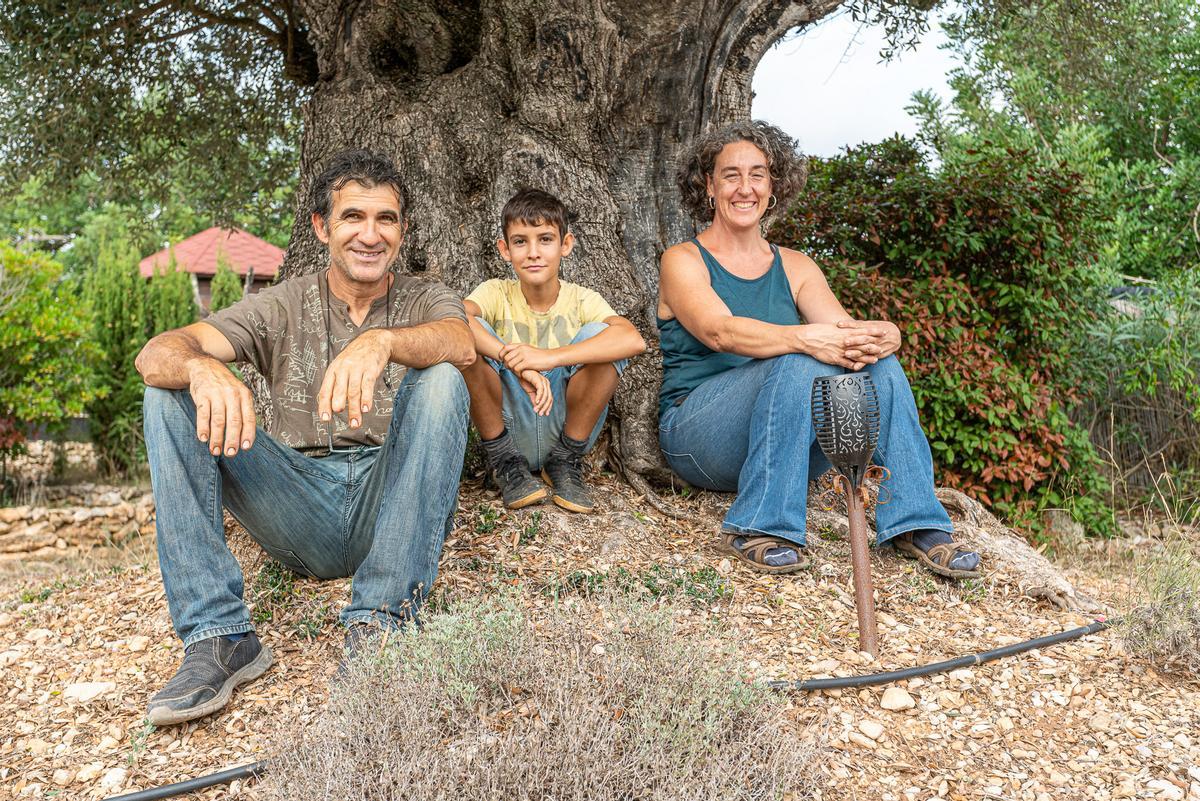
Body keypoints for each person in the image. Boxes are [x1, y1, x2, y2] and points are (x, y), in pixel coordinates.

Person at [135, 149, 474, 726]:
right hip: (295, 499)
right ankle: (219, 638)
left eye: (385, 219)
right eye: (353, 218)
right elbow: (155, 353)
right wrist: (198, 366)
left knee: (445, 378)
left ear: (403, 230)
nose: (370, 234)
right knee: (167, 391)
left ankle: (383, 622)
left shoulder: (425, 297)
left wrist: (381, 341)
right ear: (321, 227)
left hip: (387, 496)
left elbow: (461, 344)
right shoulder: (282, 303)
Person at [656, 121, 981, 578]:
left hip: (784, 444)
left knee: (879, 367)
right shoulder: (683, 259)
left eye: (758, 175)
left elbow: (846, 337)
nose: (744, 188)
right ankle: (759, 526)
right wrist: (805, 337)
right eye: (730, 175)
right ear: (708, 186)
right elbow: (719, 332)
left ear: (773, 188)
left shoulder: (796, 265)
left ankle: (914, 523)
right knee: (797, 357)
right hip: (700, 439)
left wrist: (886, 334)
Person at [460, 188, 646, 513]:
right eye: (521, 241)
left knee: (602, 335)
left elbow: (632, 340)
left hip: (565, 423)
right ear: (505, 249)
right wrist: (513, 360)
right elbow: (456, 317)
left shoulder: (581, 299)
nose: (533, 252)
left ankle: (565, 461)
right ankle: (505, 461)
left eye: (545, 239)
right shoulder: (495, 292)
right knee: (466, 337)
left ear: (566, 245)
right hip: (509, 420)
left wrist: (548, 358)